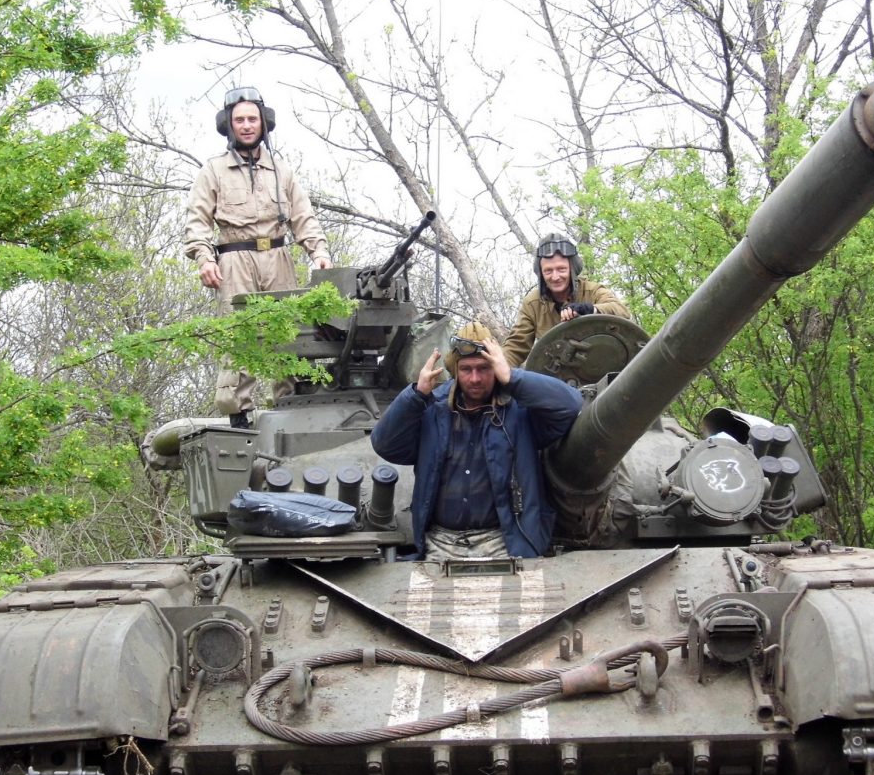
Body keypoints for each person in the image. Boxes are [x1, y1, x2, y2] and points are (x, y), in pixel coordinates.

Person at [184, 86, 334, 428]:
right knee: (239, 335)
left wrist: (319, 252)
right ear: (229, 125)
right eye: (240, 120)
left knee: (290, 332)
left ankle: (290, 404)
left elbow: (303, 216)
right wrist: (204, 258)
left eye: (253, 119)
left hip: (278, 255)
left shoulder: (281, 170)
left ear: (264, 123)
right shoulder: (214, 170)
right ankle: (238, 413)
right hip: (234, 259)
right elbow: (197, 221)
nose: (247, 125)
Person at [370, 320, 583, 561]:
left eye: (484, 368)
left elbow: (570, 405)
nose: (475, 378)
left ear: (497, 367)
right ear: (455, 370)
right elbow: (384, 444)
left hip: (506, 543)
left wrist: (512, 378)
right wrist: (416, 396)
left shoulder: (520, 412)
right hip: (439, 543)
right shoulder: (432, 409)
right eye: (466, 369)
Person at [502, 233, 630, 367]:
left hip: (604, 366)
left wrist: (590, 310)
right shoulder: (532, 304)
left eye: (561, 269)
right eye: (548, 271)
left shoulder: (592, 291)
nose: (555, 277)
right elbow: (516, 345)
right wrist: (497, 367)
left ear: (572, 269)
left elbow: (622, 311)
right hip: (557, 374)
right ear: (541, 273)